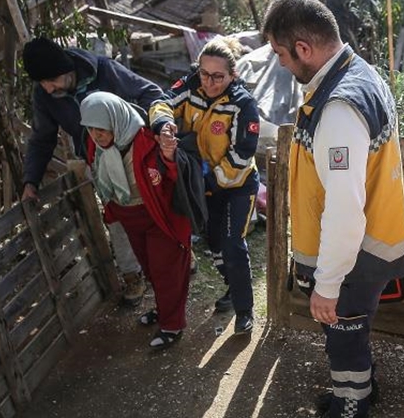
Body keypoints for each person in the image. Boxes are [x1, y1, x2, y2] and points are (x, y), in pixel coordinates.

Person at [261, 0, 404, 418]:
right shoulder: (360, 73)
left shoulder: (338, 108)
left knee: (343, 332)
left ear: (304, 48)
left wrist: (326, 285)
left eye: (282, 55)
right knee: (353, 327)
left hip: (357, 254)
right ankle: (359, 389)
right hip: (373, 242)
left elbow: (345, 213)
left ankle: (351, 410)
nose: (282, 65)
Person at [21, 36, 169, 306]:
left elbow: (151, 93)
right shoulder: (45, 94)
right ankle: (132, 275)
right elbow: (43, 138)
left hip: (135, 154)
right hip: (98, 163)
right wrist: (31, 180)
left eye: (50, 80)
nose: (47, 87)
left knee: (156, 204)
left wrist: (149, 133)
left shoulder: (103, 70)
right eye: (41, 82)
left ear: (65, 70)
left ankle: (177, 254)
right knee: (117, 216)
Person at [151, 38, 262, 337]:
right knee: (214, 245)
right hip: (202, 187)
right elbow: (160, 101)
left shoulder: (243, 106)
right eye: (204, 73)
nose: (210, 82)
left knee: (231, 244)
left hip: (236, 186)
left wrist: (206, 182)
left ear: (233, 75)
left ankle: (244, 310)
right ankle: (233, 286)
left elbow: (241, 156)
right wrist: (163, 124)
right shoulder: (189, 86)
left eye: (218, 76)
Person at [79, 92, 194, 350]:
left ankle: (172, 326)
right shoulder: (95, 145)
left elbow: (174, 175)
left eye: (102, 129)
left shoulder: (146, 139)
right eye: (91, 129)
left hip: (158, 217)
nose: (97, 135)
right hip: (129, 216)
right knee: (150, 268)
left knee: (167, 272)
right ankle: (162, 310)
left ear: (115, 121)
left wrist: (169, 156)